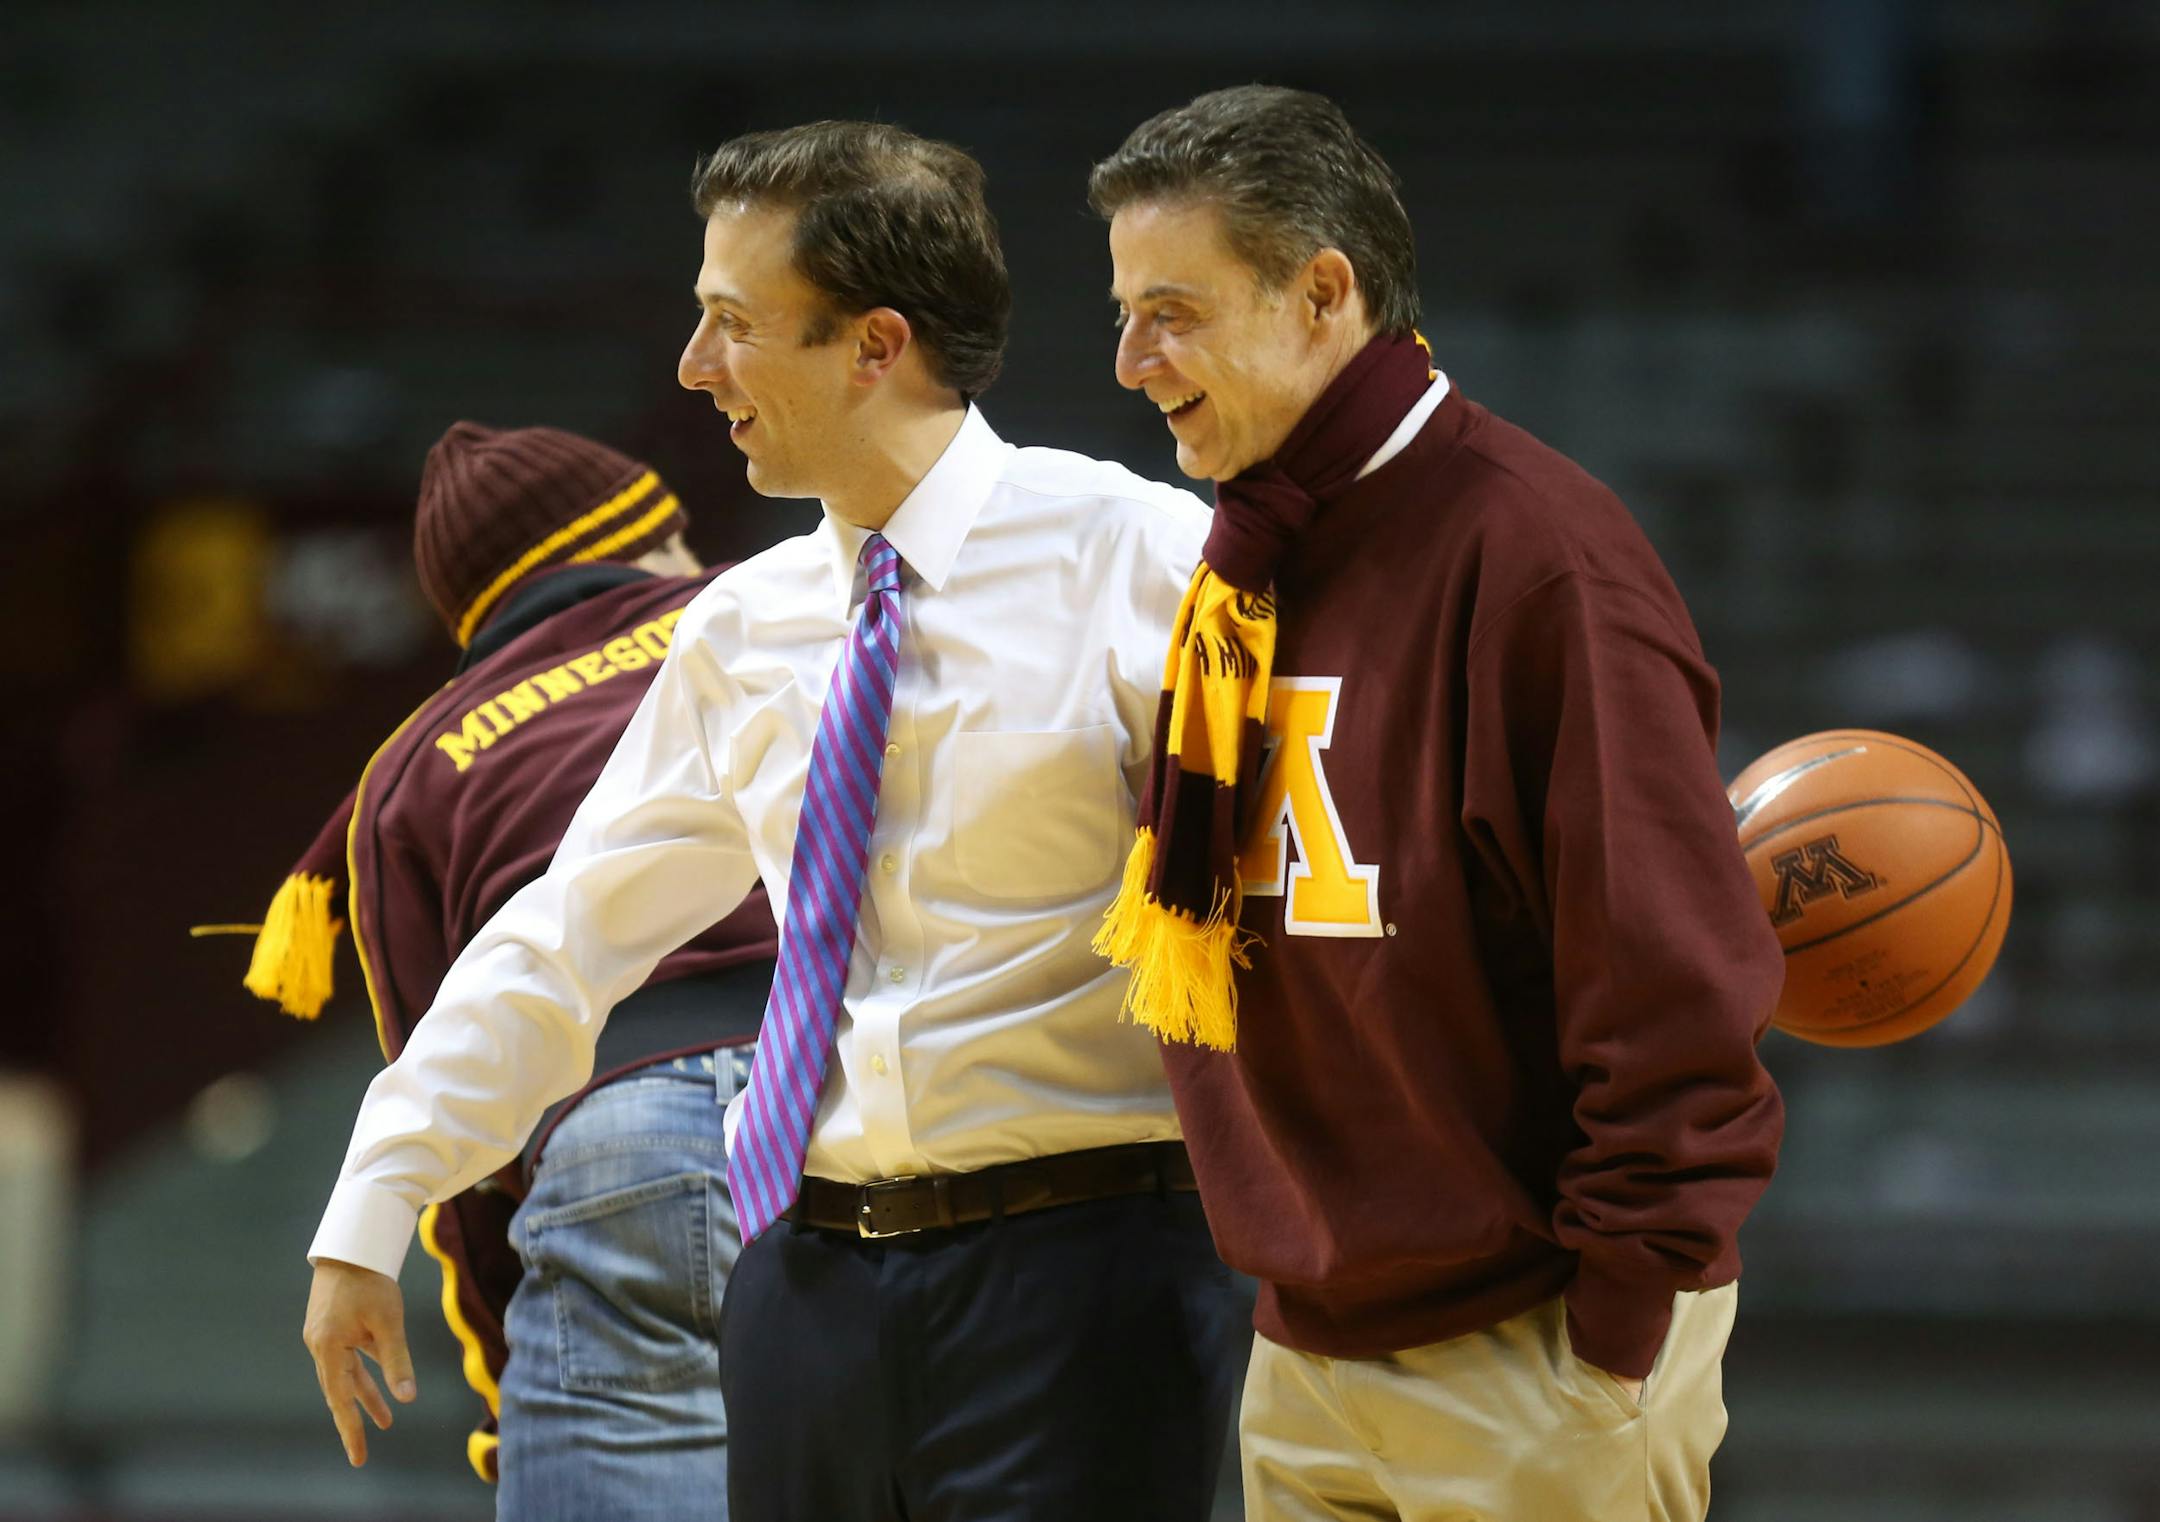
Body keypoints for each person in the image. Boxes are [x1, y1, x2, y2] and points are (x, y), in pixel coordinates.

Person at [302, 120, 1246, 1522]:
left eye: (732, 324)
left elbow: (1300, 908)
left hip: (1094, 1264)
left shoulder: (1151, 558)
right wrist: (371, 1210)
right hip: (803, 1280)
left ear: (874, 347)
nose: (694, 368)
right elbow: (563, 935)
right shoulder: (742, 623)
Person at [1091, 86, 1786, 1522]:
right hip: (1310, 1337)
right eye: (1123, 311)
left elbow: (1670, 982)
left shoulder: (1540, 558)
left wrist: (1614, 1325)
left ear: (1322, 294)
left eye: (1171, 311)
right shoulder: (1245, 567)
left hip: (1532, 1344)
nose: (1128, 360)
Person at [266, 422, 780, 1516]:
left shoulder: (408, 769)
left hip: (623, 1129)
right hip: (868, 1096)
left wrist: (523, 1396)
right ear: (640, 542)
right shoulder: (762, 603)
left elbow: (465, 1124)